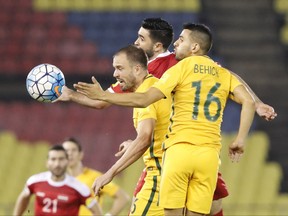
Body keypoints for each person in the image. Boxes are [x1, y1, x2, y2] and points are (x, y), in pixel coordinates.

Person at [55, 18, 276, 216]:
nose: (136, 42)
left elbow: (113, 100)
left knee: (208, 205)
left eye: (141, 38)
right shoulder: (143, 71)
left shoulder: (173, 64)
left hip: (175, 153)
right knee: (211, 206)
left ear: (158, 45)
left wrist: (257, 103)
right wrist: (70, 95)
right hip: (202, 149)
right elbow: (101, 101)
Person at [13, 145, 102, 216]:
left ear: (67, 161)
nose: (57, 164)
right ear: (47, 162)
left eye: (61, 159)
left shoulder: (79, 187)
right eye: (53, 159)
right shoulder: (34, 181)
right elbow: (24, 197)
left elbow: (97, 211)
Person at [62, 137, 130, 216]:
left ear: (81, 154)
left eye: (73, 150)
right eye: (66, 151)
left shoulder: (94, 177)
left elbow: (123, 198)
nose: (69, 154)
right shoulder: (61, 181)